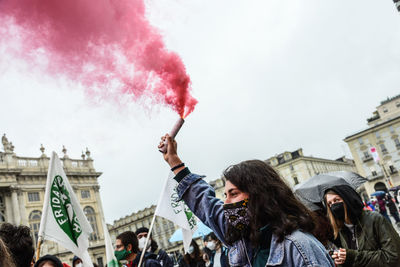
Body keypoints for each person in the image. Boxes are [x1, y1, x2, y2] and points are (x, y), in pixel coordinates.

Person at [159, 135, 334, 267]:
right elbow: (207, 205)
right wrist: (174, 161)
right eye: (225, 195)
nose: (226, 203)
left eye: (233, 194)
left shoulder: (300, 246)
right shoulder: (241, 237)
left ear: (259, 195)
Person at [324, 185, 400, 266]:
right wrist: (342, 261)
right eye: (330, 204)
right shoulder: (342, 229)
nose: (333, 206)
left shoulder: (374, 219)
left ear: (348, 200)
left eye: (336, 200)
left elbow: (393, 256)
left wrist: (353, 256)